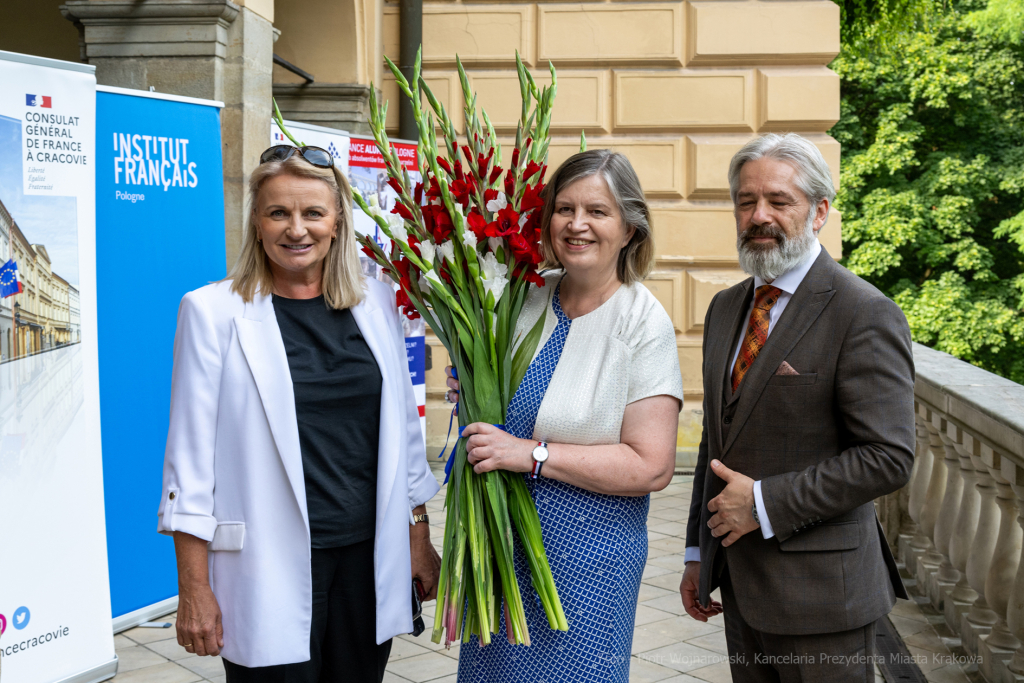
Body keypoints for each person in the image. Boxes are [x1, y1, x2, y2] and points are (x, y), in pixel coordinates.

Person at [157, 144, 441, 682]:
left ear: (337, 222)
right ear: (257, 224)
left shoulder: (376, 305)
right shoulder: (212, 313)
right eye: (278, 212)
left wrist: (419, 537)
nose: (296, 229)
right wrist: (193, 589)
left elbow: (403, 438)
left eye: (313, 212)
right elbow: (188, 467)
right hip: (266, 563)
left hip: (366, 558)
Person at [679, 133, 915, 682]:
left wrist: (763, 502)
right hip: (739, 586)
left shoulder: (864, 312)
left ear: (820, 211)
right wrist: (697, 553)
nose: (759, 215)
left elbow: (889, 457)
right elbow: (718, 443)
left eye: (779, 201)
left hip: (824, 600)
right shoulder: (725, 308)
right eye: (745, 200)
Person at [445, 149, 683, 682]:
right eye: (564, 209)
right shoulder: (522, 298)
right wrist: (470, 383)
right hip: (499, 547)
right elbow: (492, 418)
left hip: (588, 561)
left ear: (629, 229)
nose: (577, 225)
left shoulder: (642, 323)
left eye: (597, 211)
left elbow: (651, 466)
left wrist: (528, 454)